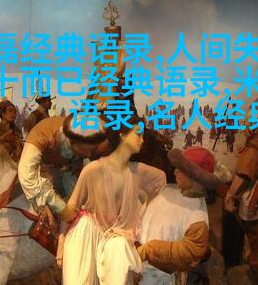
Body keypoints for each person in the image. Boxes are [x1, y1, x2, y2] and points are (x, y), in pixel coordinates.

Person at [57, 116, 167, 284]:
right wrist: (61, 242)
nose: (142, 140)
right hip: (86, 236)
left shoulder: (139, 171)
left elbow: (161, 181)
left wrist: (140, 213)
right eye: (138, 134)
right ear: (122, 135)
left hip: (115, 240)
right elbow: (72, 206)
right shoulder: (93, 169)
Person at [138, 147, 223, 284]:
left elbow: (192, 250)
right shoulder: (168, 190)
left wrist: (150, 250)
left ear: (195, 177)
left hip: (158, 277)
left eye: (182, 169)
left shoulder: (197, 214)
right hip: (139, 265)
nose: (175, 171)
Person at [18, 114, 113, 222]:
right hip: (45, 177)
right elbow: (26, 176)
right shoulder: (43, 134)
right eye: (89, 150)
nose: (89, 155)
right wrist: (61, 208)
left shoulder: (85, 138)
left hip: (67, 175)